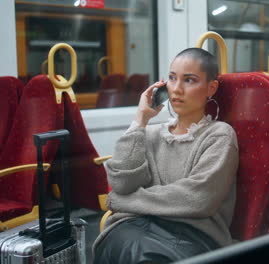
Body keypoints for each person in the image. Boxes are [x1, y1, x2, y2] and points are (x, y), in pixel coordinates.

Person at [93, 48, 239, 264]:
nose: (177, 89)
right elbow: (122, 183)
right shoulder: (150, 134)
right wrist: (140, 120)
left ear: (211, 88)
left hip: (192, 235)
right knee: (118, 243)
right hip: (136, 225)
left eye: (189, 80)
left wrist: (124, 202)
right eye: (172, 78)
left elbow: (197, 199)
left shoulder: (219, 135)